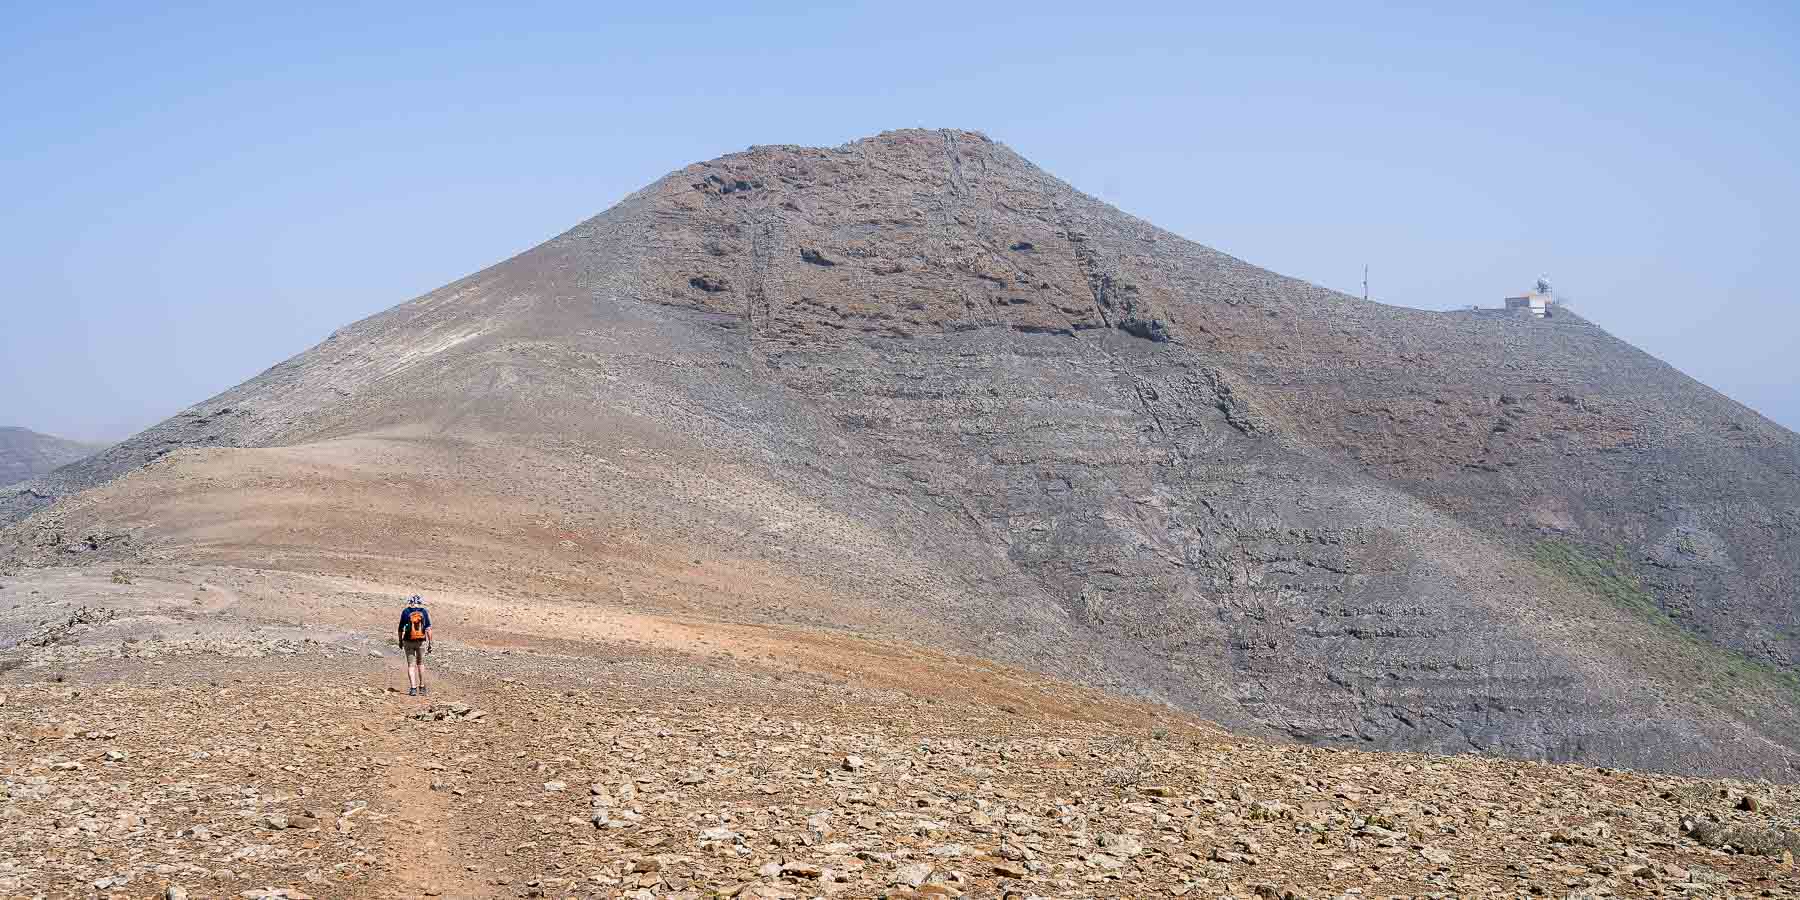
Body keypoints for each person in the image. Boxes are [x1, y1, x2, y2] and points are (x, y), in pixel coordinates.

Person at [396, 594, 433, 696]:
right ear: (420, 602)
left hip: (408, 641)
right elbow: (428, 628)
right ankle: (422, 687)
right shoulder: (423, 611)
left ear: (410, 602)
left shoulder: (405, 611)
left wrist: (400, 641)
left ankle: (413, 688)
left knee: (411, 665)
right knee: (420, 664)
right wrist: (430, 643)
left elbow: (400, 628)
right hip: (421, 641)